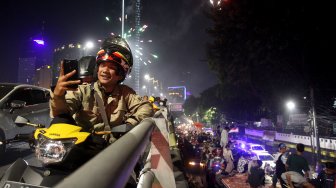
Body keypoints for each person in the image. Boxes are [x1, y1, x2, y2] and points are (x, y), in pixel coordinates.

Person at [50, 35, 154, 135]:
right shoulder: (83, 91)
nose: (105, 70)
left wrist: (129, 124)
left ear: (120, 75)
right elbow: (61, 114)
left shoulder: (125, 93)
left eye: (111, 67)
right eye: (102, 65)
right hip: (85, 147)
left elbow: (146, 107)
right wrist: (58, 96)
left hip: (114, 148)